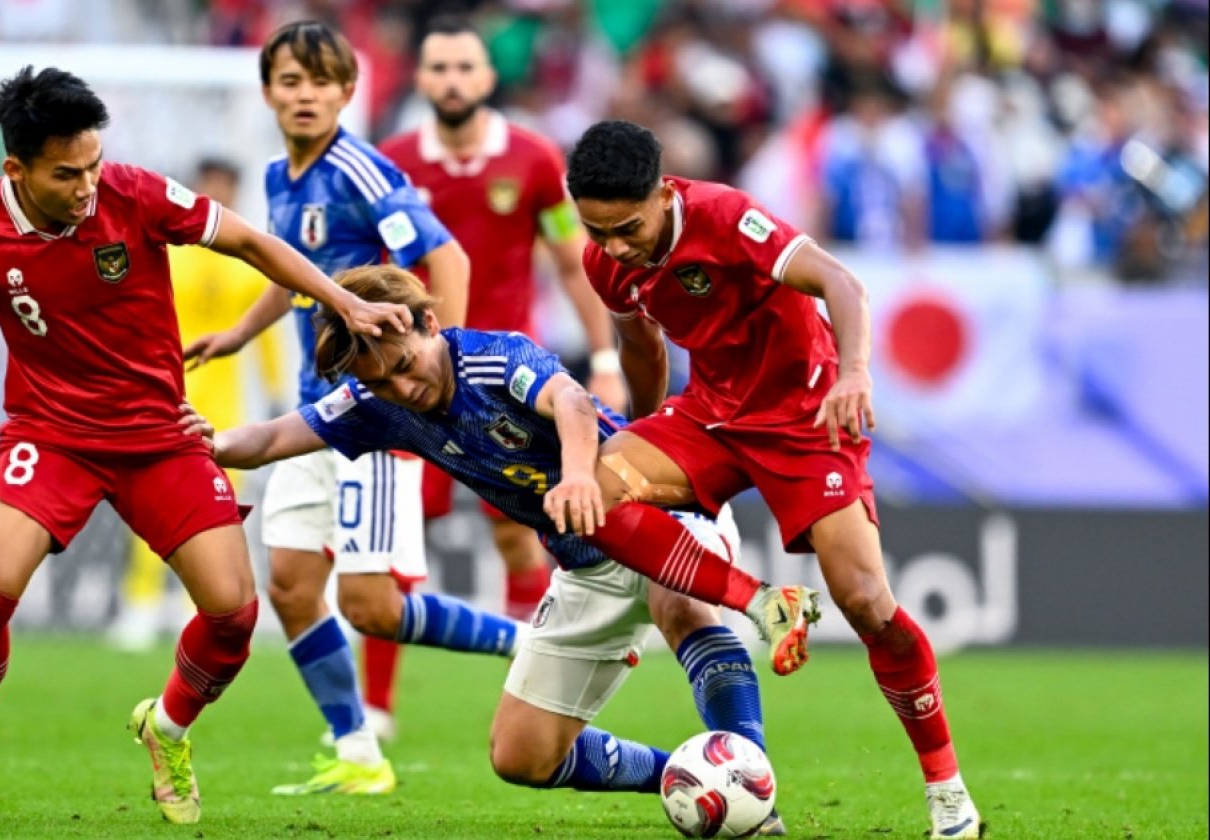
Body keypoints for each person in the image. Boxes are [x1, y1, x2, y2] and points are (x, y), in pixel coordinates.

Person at [0, 66, 412, 827]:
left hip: (160, 434)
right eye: (68, 173)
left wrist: (345, 298)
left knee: (232, 615)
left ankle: (168, 728)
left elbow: (254, 242)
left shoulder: (134, 193)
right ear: (15, 169)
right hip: (50, 436)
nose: (89, 184)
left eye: (94, 163)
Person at [182, 264, 784, 835]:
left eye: (404, 365)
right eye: (380, 381)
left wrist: (579, 476)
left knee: (678, 605)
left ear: (427, 324)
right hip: (582, 566)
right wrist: (215, 442)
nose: (402, 386)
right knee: (521, 757)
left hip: (651, 507)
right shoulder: (380, 406)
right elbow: (272, 437)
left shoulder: (493, 357)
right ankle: (692, 779)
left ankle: (750, 777)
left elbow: (571, 401)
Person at [565, 120, 980, 839]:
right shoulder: (607, 263)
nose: (615, 247)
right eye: (597, 232)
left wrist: (853, 374)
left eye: (626, 228)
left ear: (663, 195)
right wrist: (642, 435)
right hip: (711, 416)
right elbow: (639, 342)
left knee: (865, 601)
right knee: (591, 490)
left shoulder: (725, 218)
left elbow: (840, 282)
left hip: (804, 418)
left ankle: (949, 795)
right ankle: (761, 603)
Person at [186, 20, 519, 796]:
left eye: (320, 81)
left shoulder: (362, 172)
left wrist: (448, 371)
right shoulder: (278, 175)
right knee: (295, 588)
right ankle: (358, 752)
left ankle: (534, 643)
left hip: (375, 415)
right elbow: (292, 267)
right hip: (312, 409)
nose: (305, 95)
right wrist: (240, 332)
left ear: (347, 91)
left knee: (372, 605)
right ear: (269, 91)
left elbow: (447, 257)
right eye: (290, 81)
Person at [365, 15, 627, 734]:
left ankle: (534, 675)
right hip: (411, 378)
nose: (452, 80)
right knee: (395, 531)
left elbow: (574, 265)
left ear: (487, 78)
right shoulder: (390, 161)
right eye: (439, 68)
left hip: (508, 380)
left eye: (464, 68)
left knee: (520, 535)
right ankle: (375, 711)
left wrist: (603, 362)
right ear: (421, 80)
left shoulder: (536, 160)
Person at [107, 157, 288, 653]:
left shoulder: (243, 258)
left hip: (225, 403)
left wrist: (273, 388)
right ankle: (140, 606)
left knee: (216, 506)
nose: (218, 191)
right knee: (149, 501)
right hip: (162, 393)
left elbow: (265, 334)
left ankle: (199, 610)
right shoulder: (168, 249)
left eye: (226, 184)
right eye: (210, 183)